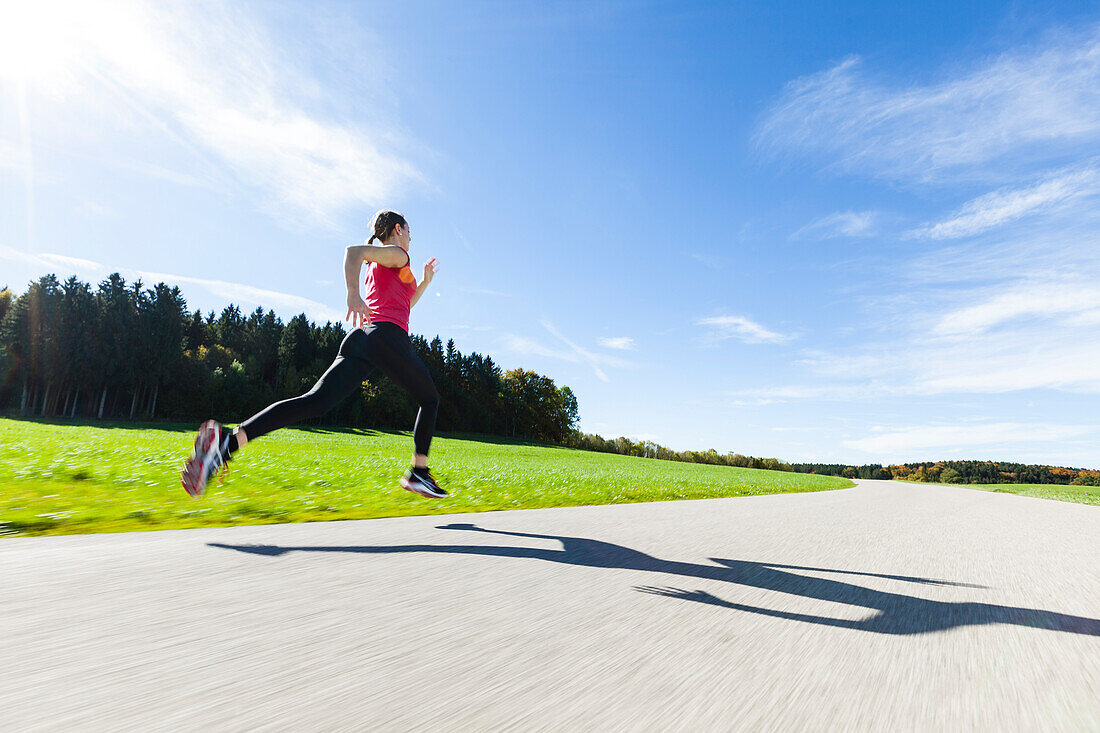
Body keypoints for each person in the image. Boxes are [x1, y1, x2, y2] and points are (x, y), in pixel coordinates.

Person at [181, 210, 446, 499]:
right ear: (398, 229)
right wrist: (352, 293)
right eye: (409, 231)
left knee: (314, 402)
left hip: (362, 340)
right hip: (385, 336)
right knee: (430, 399)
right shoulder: (396, 253)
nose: (410, 237)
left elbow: (405, 304)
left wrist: (425, 281)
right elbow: (352, 251)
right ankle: (419, 471)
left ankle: (227, 443)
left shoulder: (385, 262)